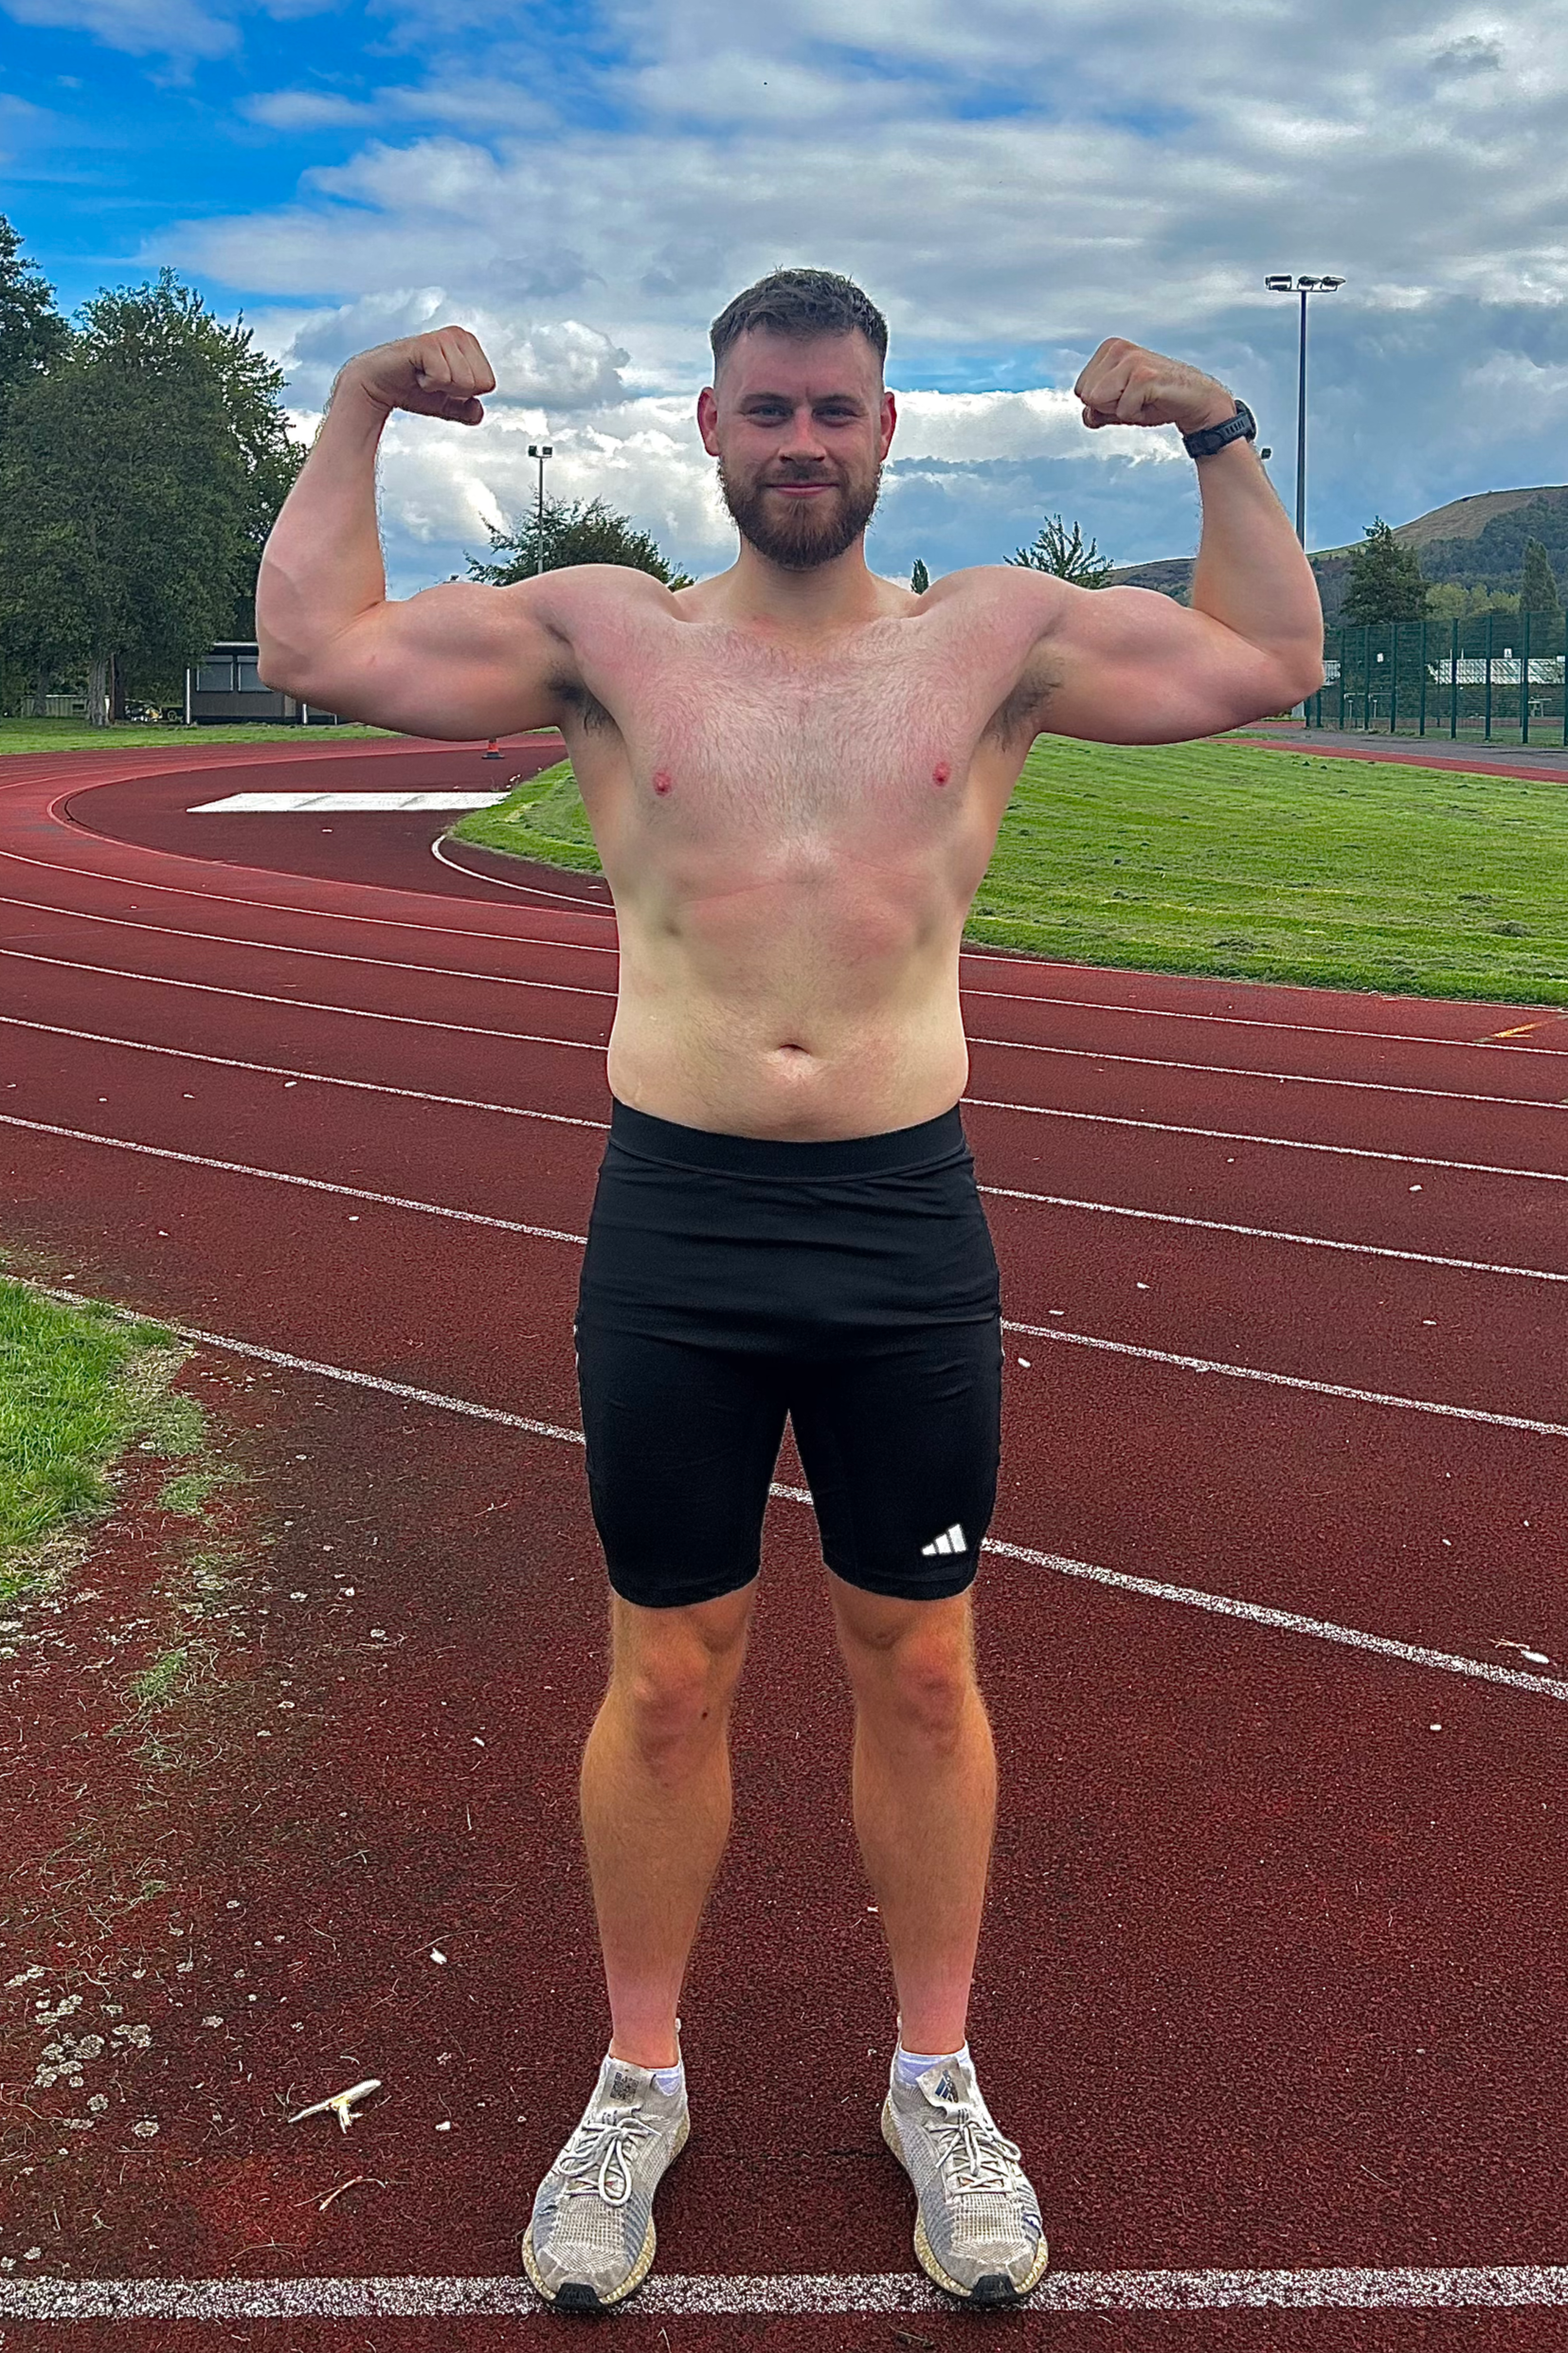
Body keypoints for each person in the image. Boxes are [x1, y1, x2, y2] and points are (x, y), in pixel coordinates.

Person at [256, 268, 1323, 2310]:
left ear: (887, 429)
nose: (803, 442)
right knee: (666, 1666)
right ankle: (633, 2076)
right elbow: (316, 642)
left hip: (900, 1223)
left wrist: (1210, 425)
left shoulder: (993, 636)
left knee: (919, 1660)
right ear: (708, 425)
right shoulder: (603, 633)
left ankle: (935, 2072)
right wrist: (359, 398)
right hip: (678, 1220)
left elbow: (1273, 654)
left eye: (836, 411)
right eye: (768, 412)